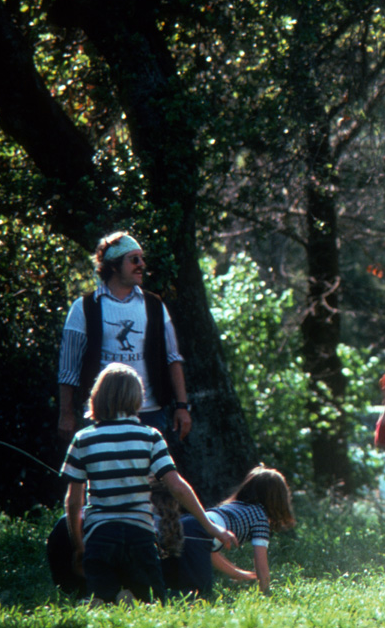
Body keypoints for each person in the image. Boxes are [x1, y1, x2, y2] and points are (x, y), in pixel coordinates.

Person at [60, 363, 236, 604]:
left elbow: (73, 501)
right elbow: (177, 487)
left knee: (101, 601)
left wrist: (79, 546)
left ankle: (109, 599)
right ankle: (129, 597)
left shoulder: (83, 439)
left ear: (97, 396)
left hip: (100, 537)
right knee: (152, 604)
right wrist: (210, 526)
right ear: (137, 398)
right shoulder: (150, 436)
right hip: (140, 536)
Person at [58, 231, 191, 445]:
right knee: (105, 476)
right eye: (134, 259)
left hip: (150, 413)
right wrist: (65, 414)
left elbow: (173, 358)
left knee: (150, 477)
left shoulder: (154, 305)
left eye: (142, 258)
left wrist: (182, 406)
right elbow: (68, 369)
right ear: (113, 265)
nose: (142, 264)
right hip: (101, 414)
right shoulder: (84, 308)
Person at [163, 465, 295, 597]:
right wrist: (266, 592)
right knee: (199, 595)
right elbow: (261, 562)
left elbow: (209, 552)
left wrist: (238, 574)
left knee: (171, 584)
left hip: (183, 524)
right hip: (198, 531)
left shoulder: (232, 507)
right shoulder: (260, 517)